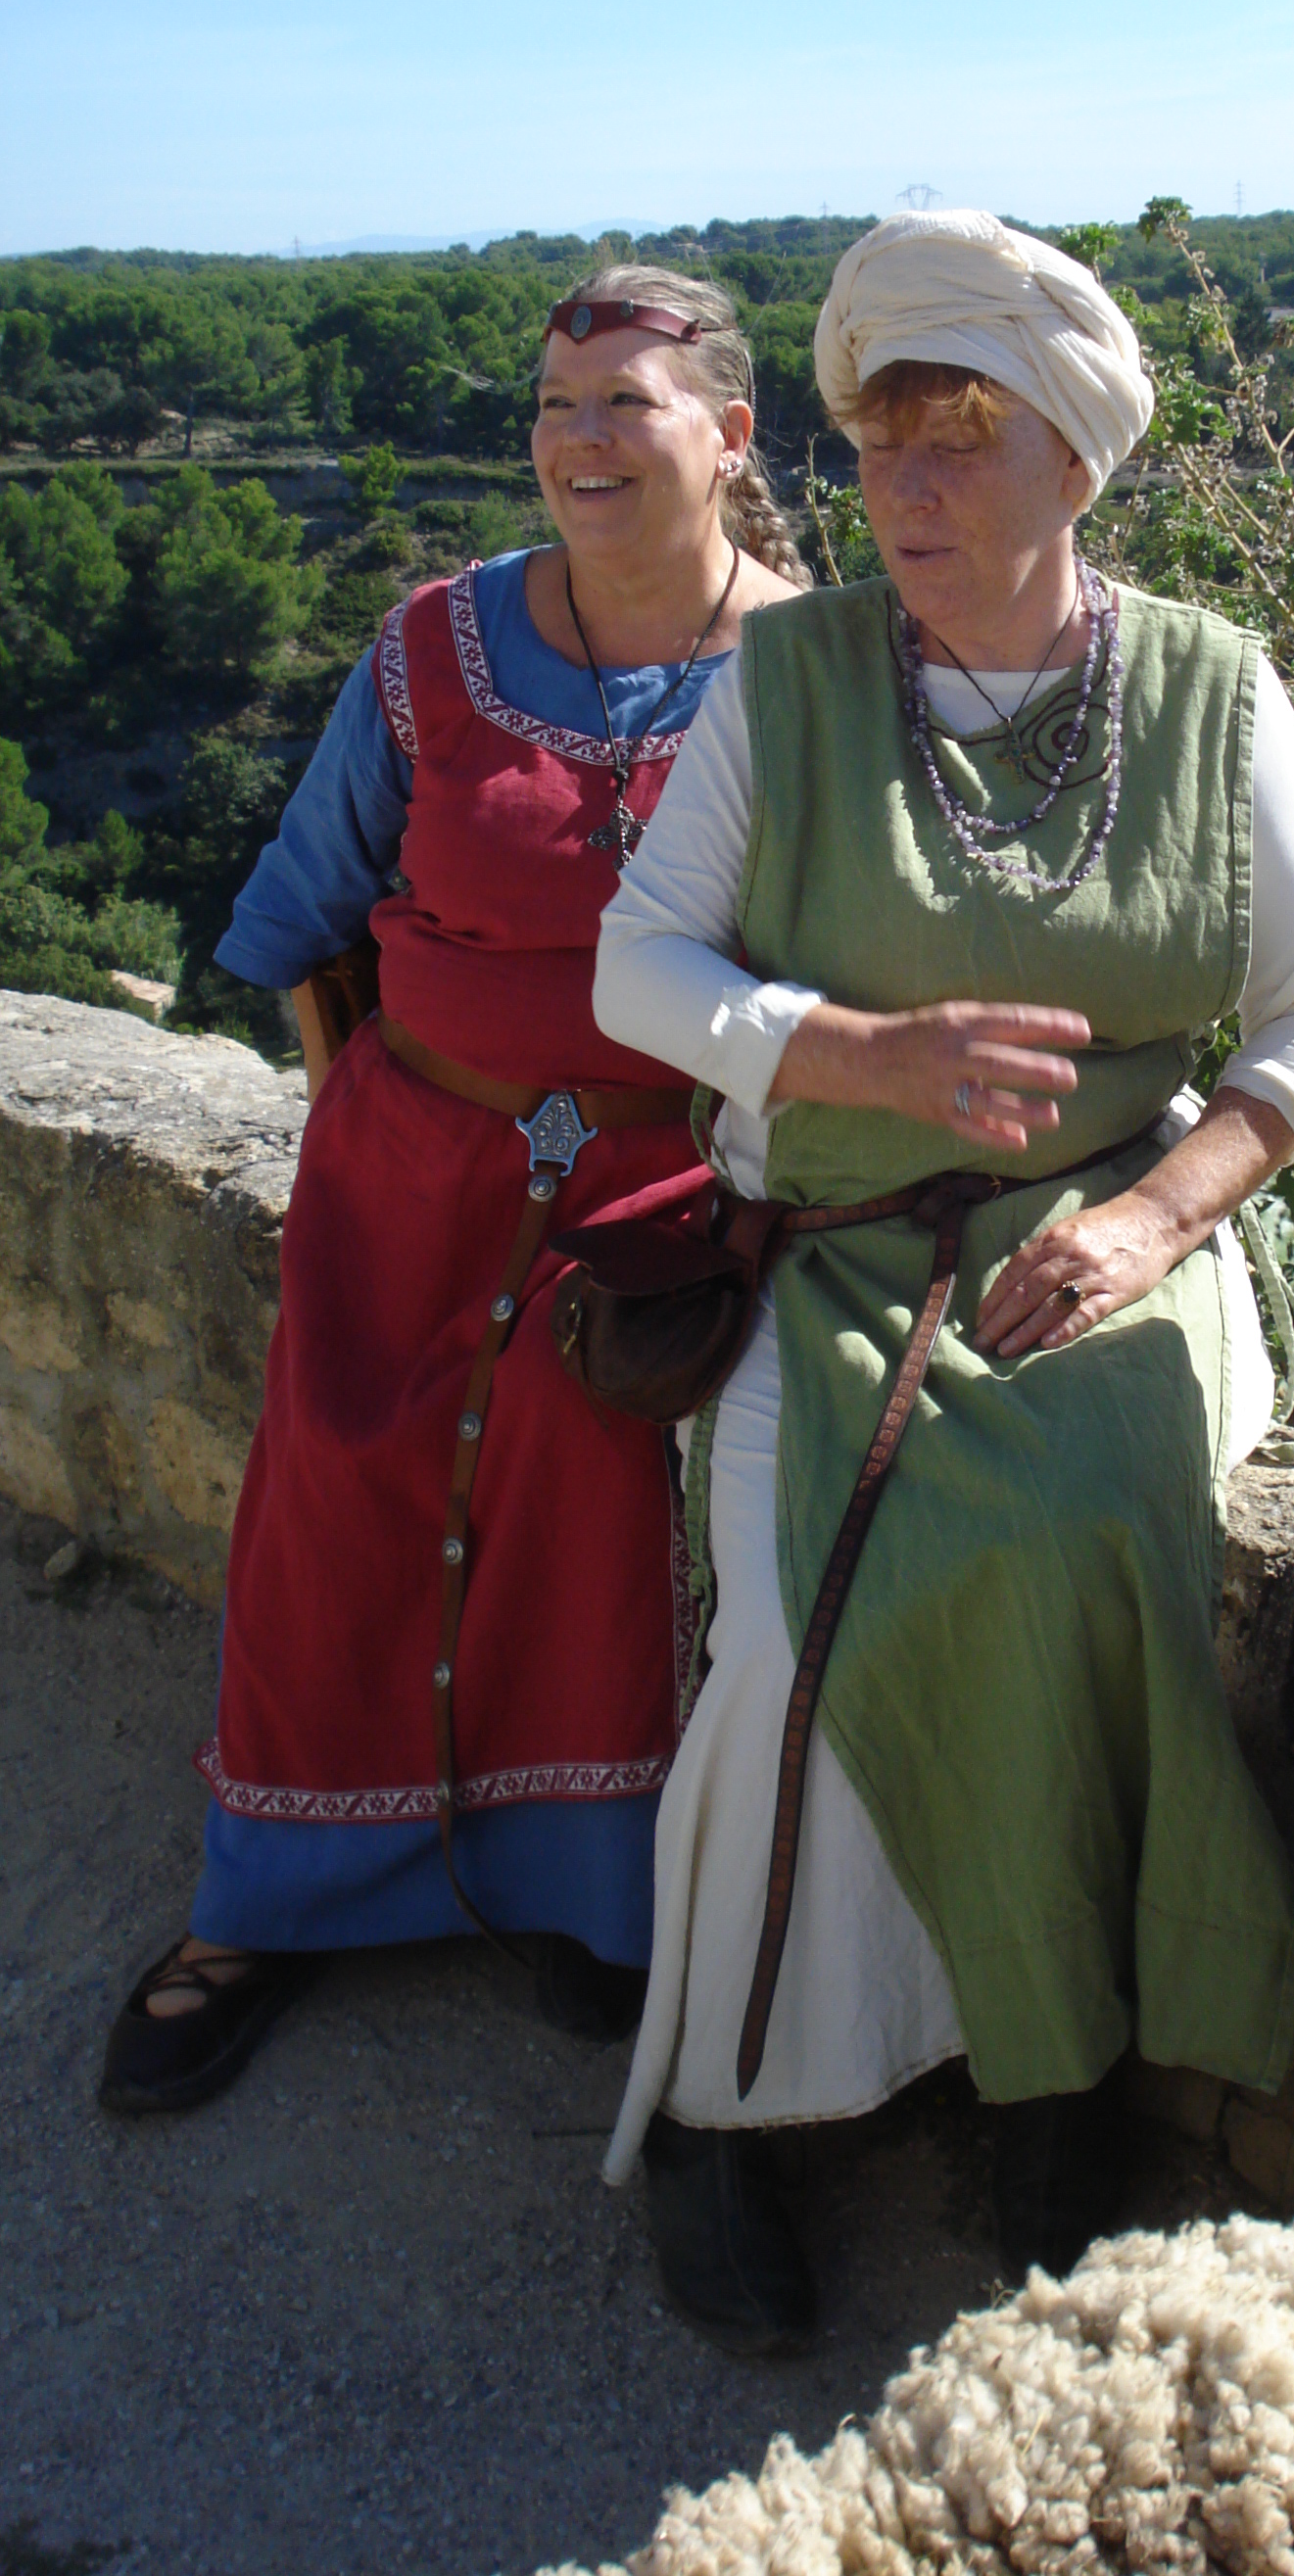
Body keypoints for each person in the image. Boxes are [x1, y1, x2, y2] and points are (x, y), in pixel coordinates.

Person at [588, 209, 1294, 2349]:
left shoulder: (1210, 692)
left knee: (1091, 1531)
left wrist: (1159, 1218)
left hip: (1128, 1228)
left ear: (1074, 461)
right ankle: (736, 2093)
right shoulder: (791, 683)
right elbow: (641, 966)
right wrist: (857, 1056)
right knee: (793, 1621)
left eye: (962, 442)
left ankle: (1056, 2076)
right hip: (837, 1239)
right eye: (878, 447)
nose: (906, 492)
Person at [100, 267, 806, 2117]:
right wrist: (380, 1147)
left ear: (729, 435)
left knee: (599, 1522)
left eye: (626, 403)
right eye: (556, 406)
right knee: (334, 1506)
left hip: (664, 1208)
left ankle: (591, 1902)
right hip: (407, 1174)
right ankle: (270, 1904)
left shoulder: (816, 672)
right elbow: (305, 912)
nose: (580, 440)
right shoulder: (432, 648)